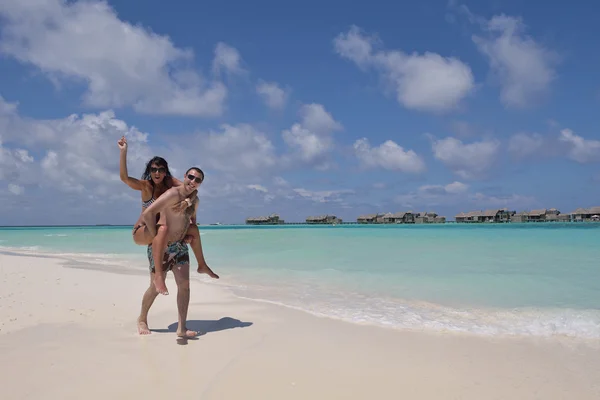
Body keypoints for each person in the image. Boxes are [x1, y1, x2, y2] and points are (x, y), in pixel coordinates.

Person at [136, 167, 219, 338]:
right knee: (154, 287)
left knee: (185, 286)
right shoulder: (173, 194)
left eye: (198, 180)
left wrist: (187, 235)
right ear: (185, 177)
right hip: (161, 247)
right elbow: (148, 213)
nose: (193, 182)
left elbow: (191, 221)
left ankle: (181, 328)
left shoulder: (195, 201)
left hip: (179, 246)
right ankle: (142, 318)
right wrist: (153, 233)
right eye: (191, 177)